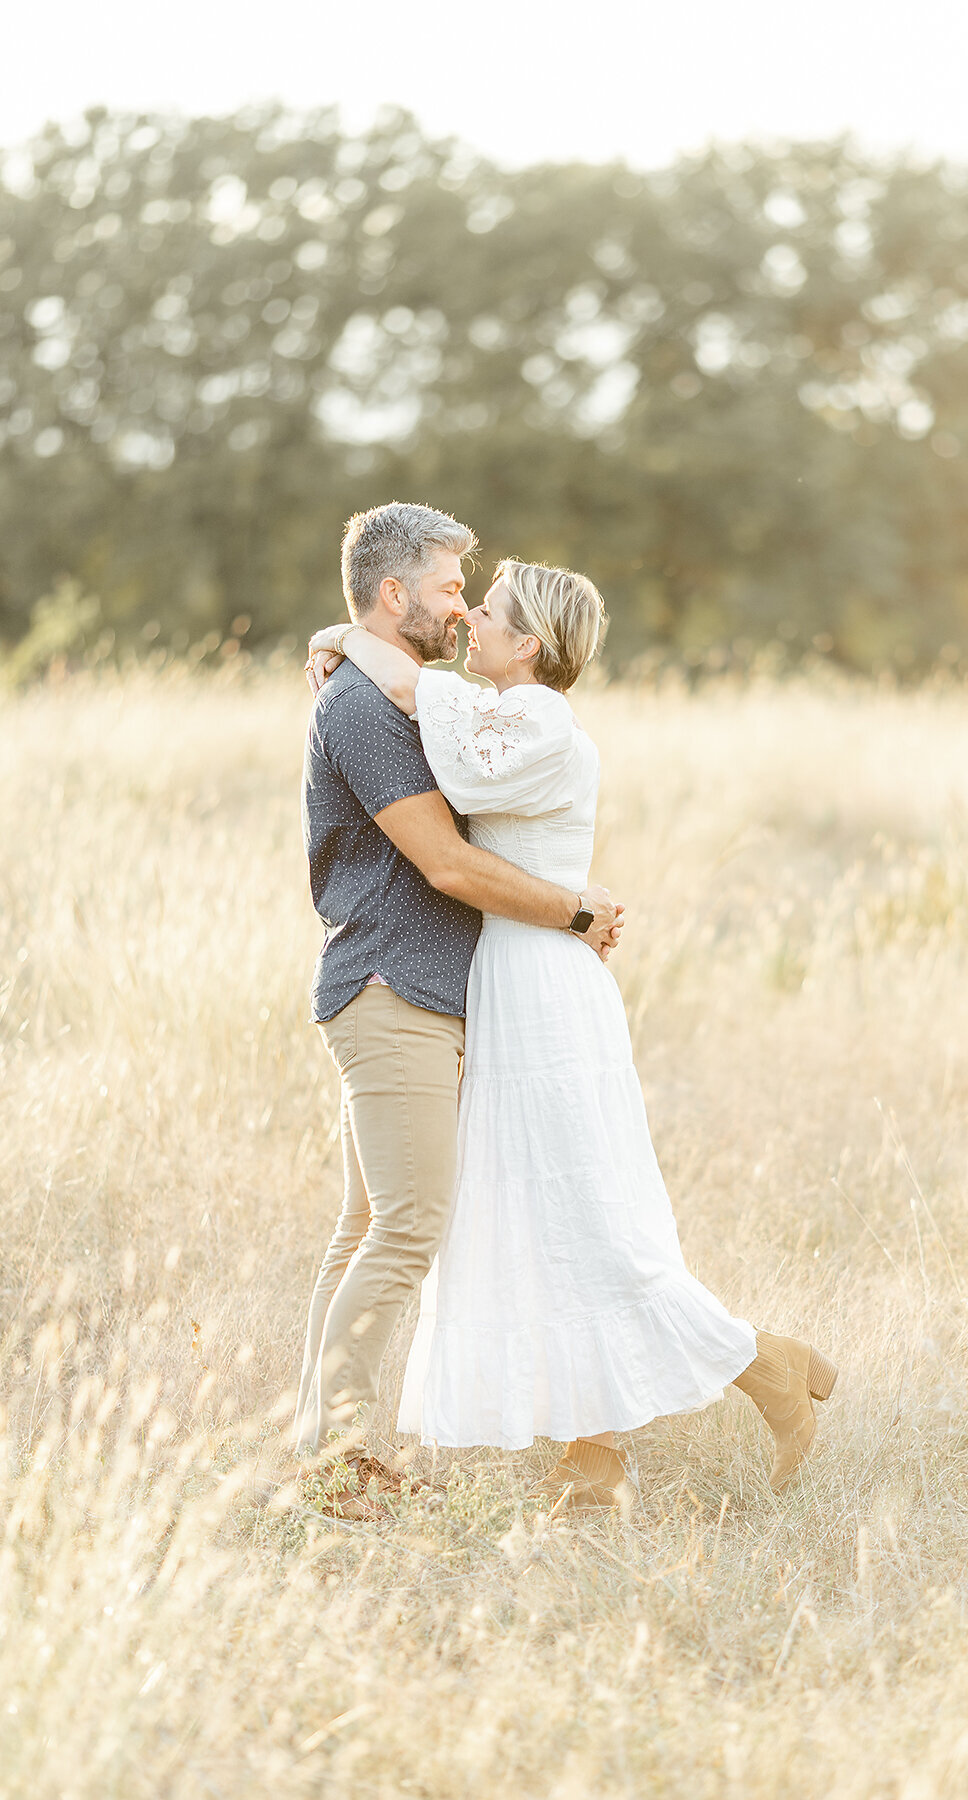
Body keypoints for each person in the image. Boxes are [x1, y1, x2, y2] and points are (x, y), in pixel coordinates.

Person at [305, 552, 838, 1509]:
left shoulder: (539, 725)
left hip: (543, 983)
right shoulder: (503, 710)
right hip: (506, 978)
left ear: (530, 645)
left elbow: (454, 763)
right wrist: (350, 641)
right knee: (539, 1217)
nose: (470, 623)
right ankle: (592, 1460)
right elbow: (436, 715)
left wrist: (347, 637)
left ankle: (767, 1365)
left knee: (588, 1217)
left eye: (489, 613)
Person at [293, 502, 622, 1514]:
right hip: (394, 991)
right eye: (445, 589)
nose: (459, 607)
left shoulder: (395, 697)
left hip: (413, 991)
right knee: (410, 1225)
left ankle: (323, 1446)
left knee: (367, 1226)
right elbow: (443, 861)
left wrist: (343, 637)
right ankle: (343, 1467)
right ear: (394, 594)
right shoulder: (363, 711)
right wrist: (574, 908)